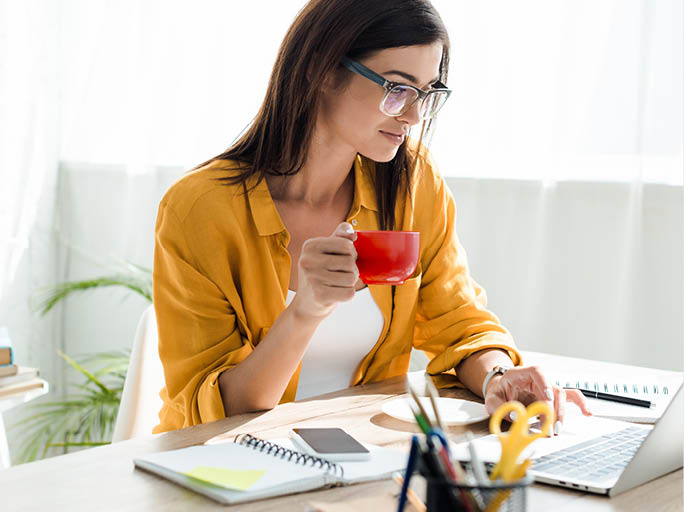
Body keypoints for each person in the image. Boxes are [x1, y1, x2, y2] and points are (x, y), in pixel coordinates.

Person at [152, 0, 591, 434]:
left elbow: (458, 321)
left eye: (427, 93)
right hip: (225, 467)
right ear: (321, 70)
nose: (415, 116)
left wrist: (499, 377)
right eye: (397, 88)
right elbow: (218, 411)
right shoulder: (200, 210)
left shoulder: (412, 183)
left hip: (359, 457)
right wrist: (306, 310)